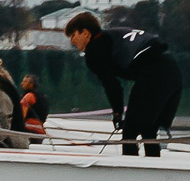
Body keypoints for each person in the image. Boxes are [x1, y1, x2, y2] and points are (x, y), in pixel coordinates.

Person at [63, 10, 181, 157]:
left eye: (73, 35)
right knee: (148, 130)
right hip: (172, 69)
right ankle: (153, 165)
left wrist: (117, 114)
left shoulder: (94, 49)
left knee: (129, 132)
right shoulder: (112, 35)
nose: (72, 41)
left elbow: (112, 85)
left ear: (86, 33)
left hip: (154, 71)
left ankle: (130, 168)